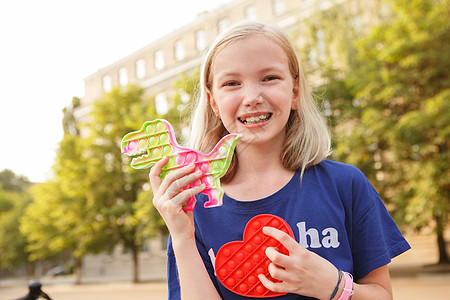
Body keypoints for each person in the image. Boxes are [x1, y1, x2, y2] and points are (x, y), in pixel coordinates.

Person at [150, 21, 410, 300]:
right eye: (232, 83)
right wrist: (182, 237)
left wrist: (334, 287)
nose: (251, 97)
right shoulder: (195, 206)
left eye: (269, 78)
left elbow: (381, 295)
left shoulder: (345, 184)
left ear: (295, 92)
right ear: (214, 102)